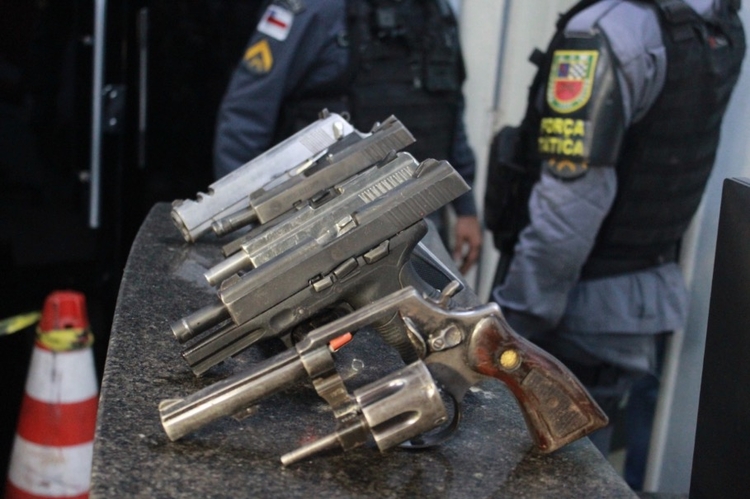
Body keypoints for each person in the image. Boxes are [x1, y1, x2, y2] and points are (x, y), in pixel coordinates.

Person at [487, 0, 745, 490]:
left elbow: (567, 217)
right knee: (587, 470)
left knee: (542, 476)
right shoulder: (718, 21)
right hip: (638, 300)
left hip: (568, 311)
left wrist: (509, 326)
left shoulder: (607, 31)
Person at [213, 0, 482, 273]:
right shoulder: (316, 9)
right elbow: (246, 116)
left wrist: (465, 208)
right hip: (323, 229)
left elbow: (448, 108)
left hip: (420, 221)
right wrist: (245, 230)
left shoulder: (436, 10)